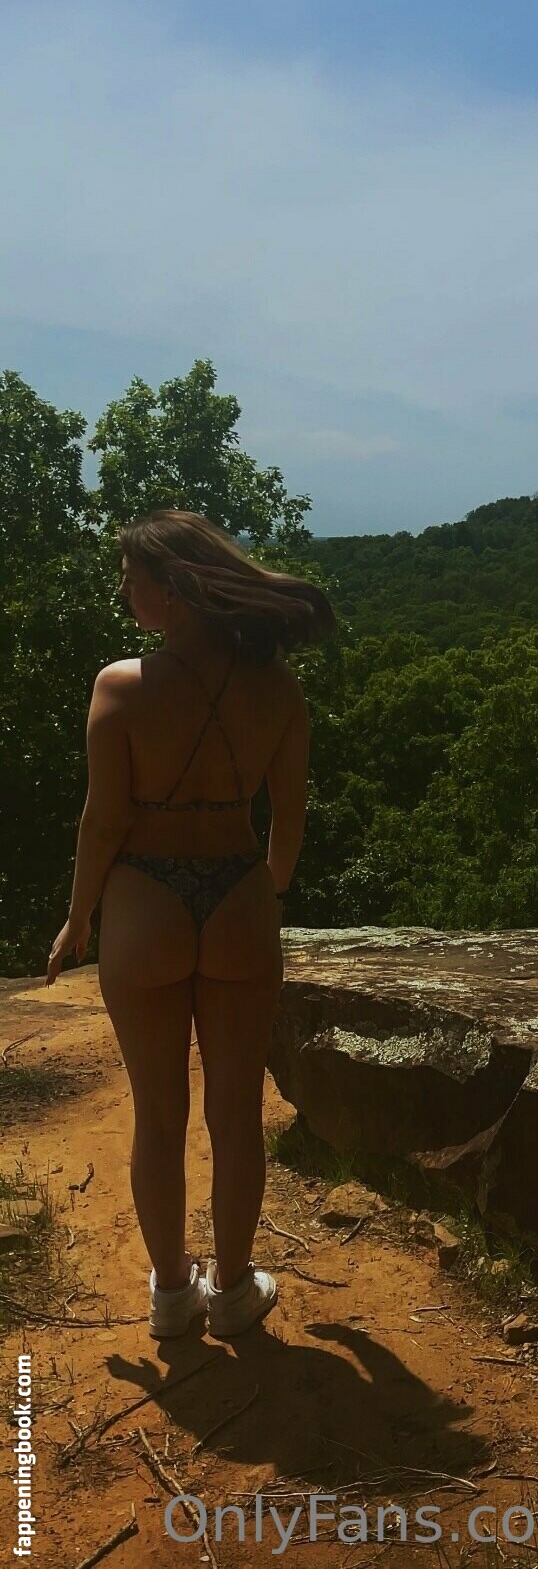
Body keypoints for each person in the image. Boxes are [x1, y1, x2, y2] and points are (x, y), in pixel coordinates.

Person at [46, 510, 336, 1340]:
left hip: (147, 901)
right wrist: (266, 893)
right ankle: (235, 1289)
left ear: (171, 589)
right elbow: (289, 816)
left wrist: (78, 917)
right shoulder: (278, 689)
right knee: (236, 1114)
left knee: (159, 1113)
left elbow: (104, 822)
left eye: (131, 578)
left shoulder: (120, 687)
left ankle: (174, 1295)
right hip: (238, 894)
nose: (123, 590)